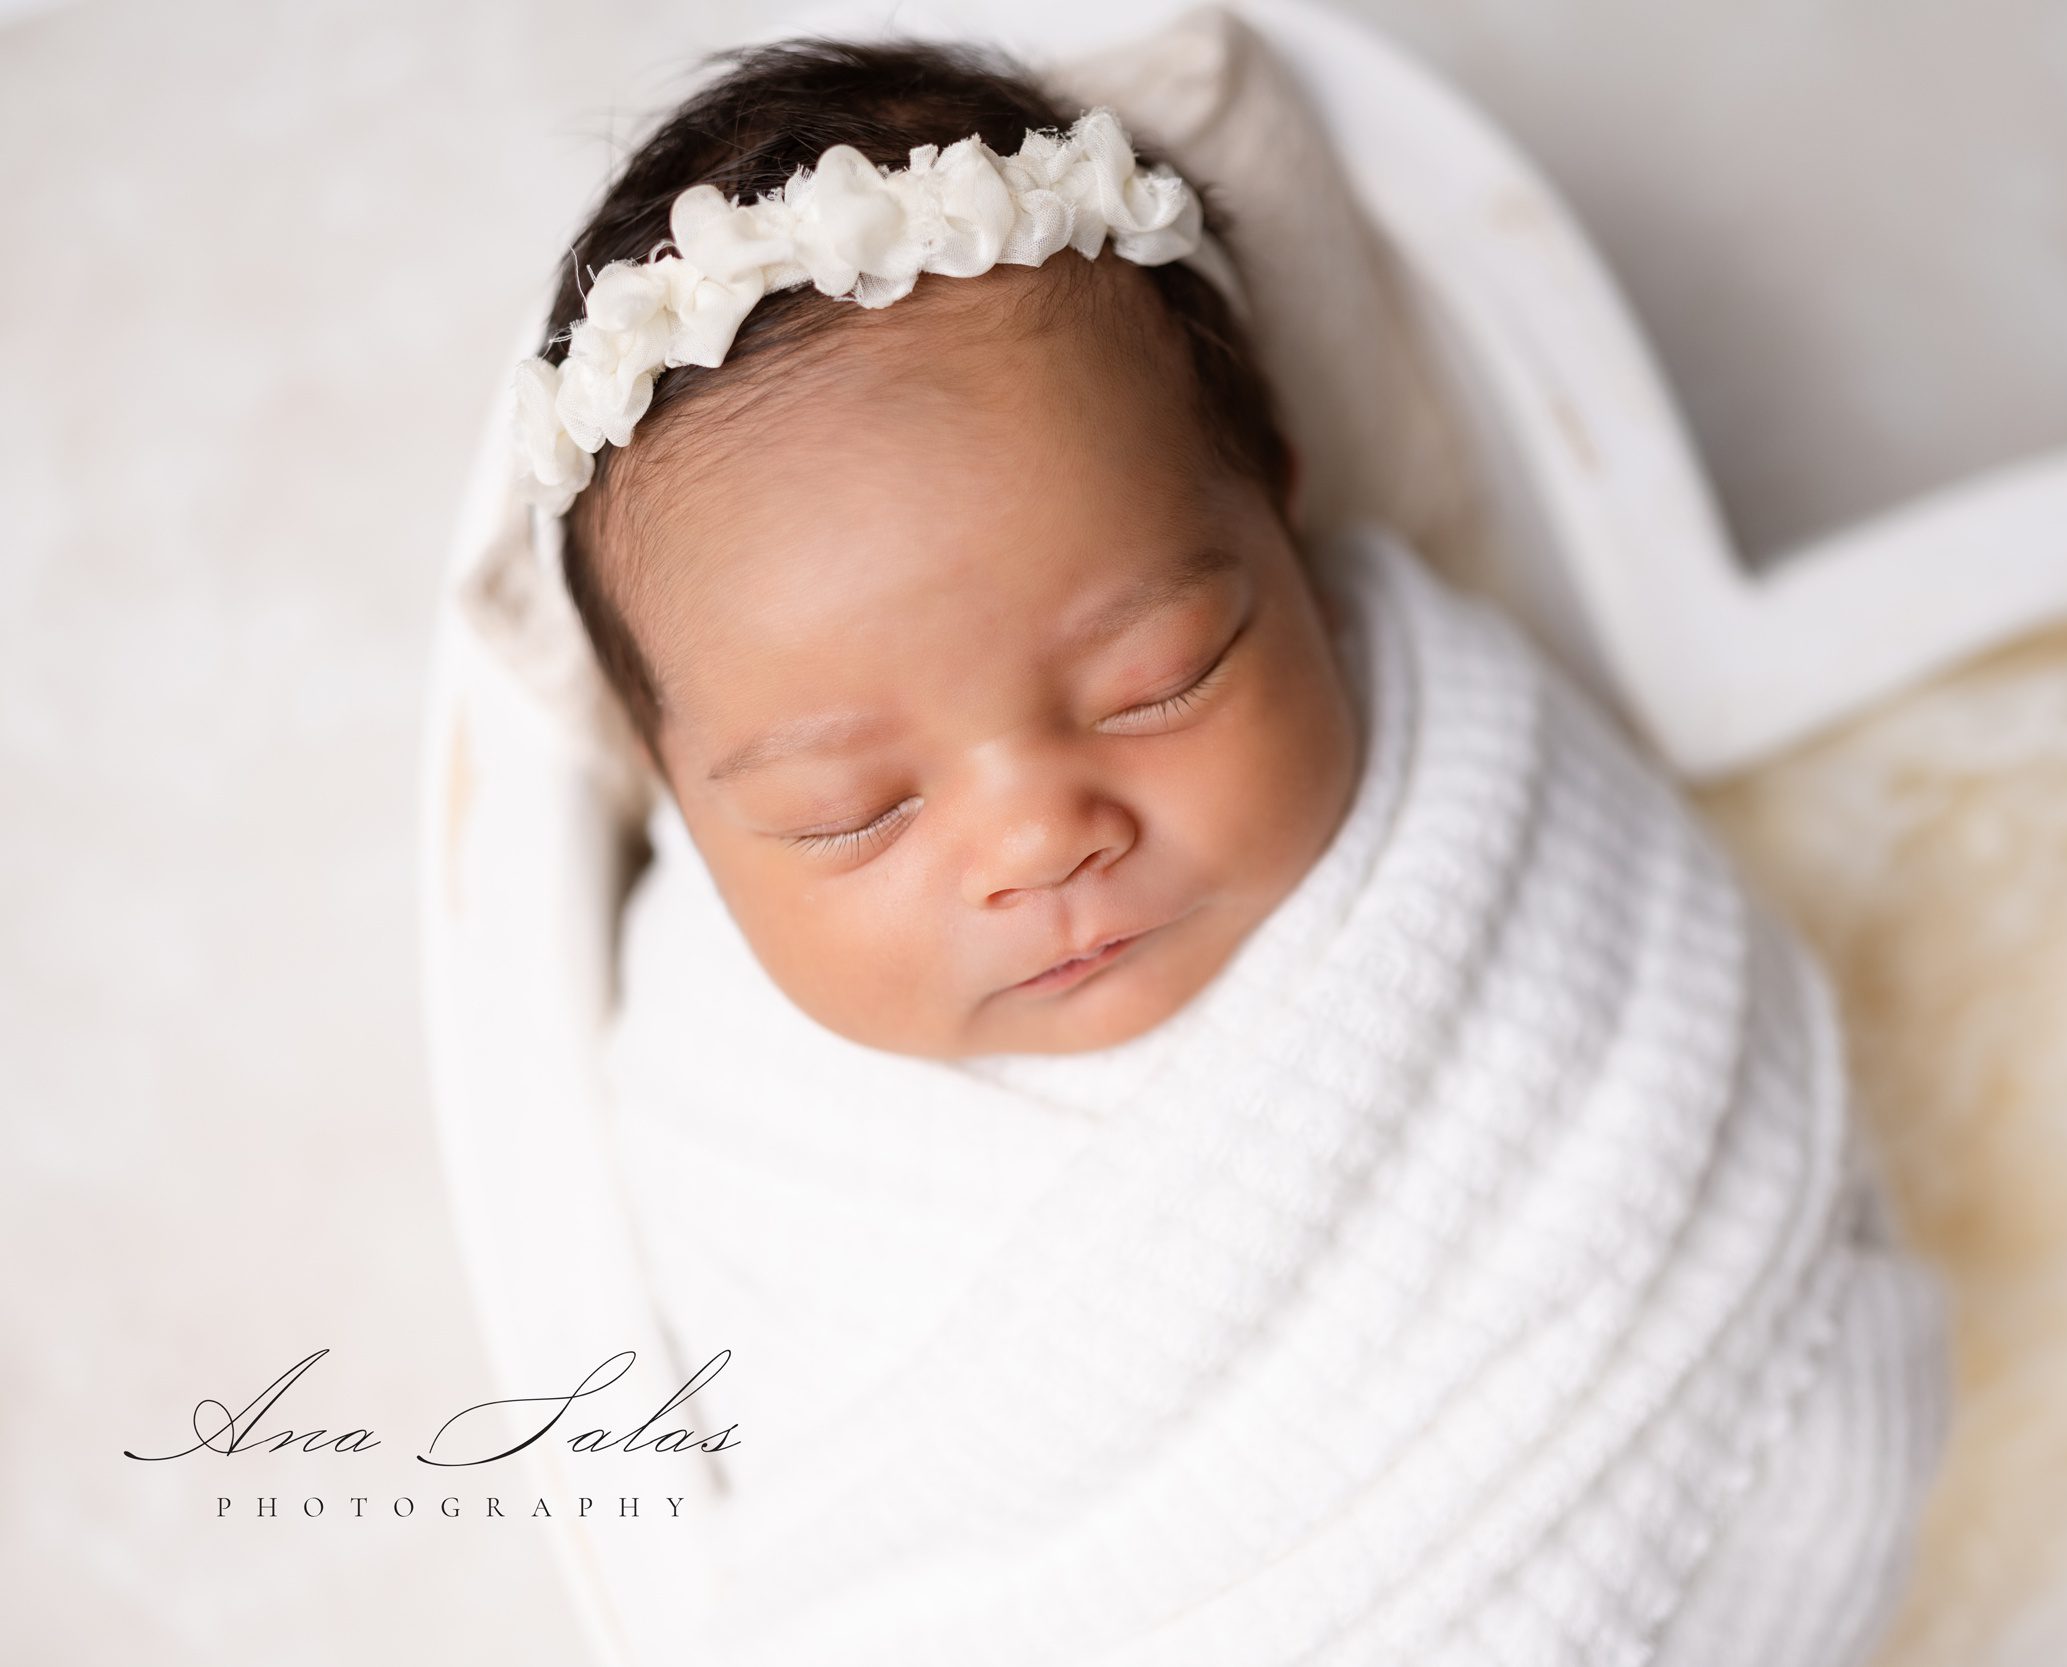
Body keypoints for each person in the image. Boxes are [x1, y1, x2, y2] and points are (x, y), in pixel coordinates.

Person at [514, 32, 1951, 1666]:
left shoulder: (1465, 769)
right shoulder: (729, 1082)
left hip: (1666, 1502)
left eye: (1159, 678)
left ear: (1280, 505)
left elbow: (1710, 1121)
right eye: (853, 812)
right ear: (680, 789)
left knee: (1837, 1427)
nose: (1039, 834)